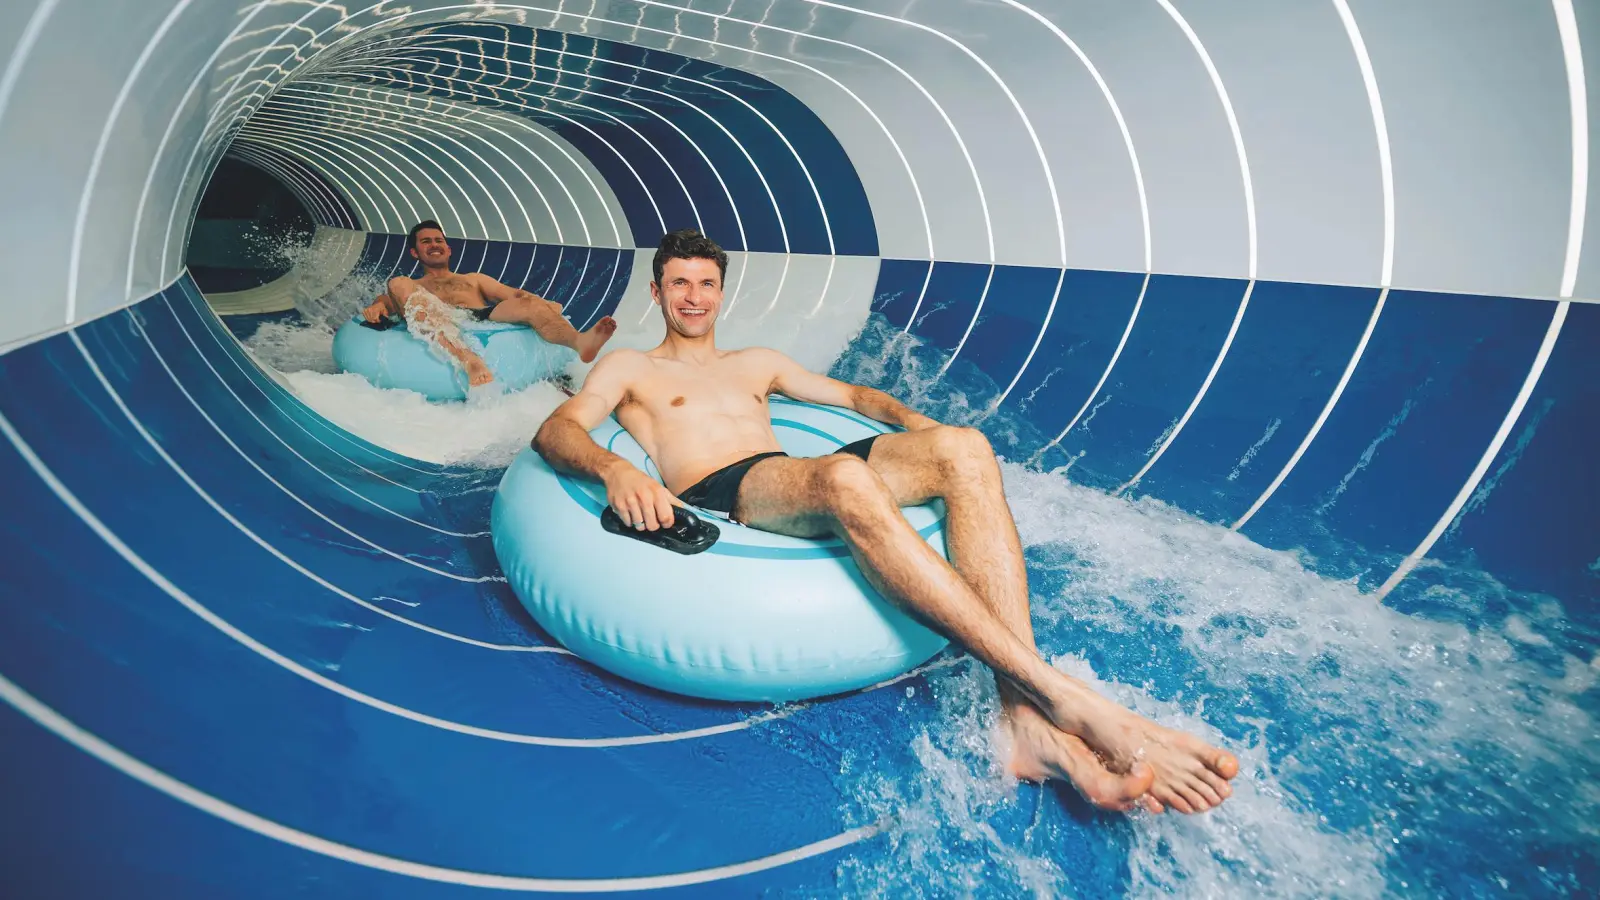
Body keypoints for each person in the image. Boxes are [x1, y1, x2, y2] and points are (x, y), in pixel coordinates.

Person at [532, 229, 1239, 815]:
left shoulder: (758, 362)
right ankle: (1063, 697)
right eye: (679, 284)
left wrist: (916, 423)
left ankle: (1023, 720)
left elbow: (856, 395)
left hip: (787, 466)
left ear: (722, 291)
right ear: (656, 291)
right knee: (844, 476)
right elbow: (558, 432)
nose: (693, 297)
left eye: (705, 284)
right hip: (728, 488)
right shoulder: (630, 368)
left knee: (965, 450)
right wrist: (618, 470)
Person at [363, 220, 618, 386]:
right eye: (426, 242)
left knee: (527, 301)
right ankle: (469, 359)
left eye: (439, 240)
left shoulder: (473, 279)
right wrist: (378, 307)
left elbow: (513, 294)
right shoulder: (414, 286)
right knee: (397, 282)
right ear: (415, 252)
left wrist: (544, 304)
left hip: (479, 317)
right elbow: (389, 300)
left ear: (449, 249)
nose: (434, 245)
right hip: (438, 317)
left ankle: (580, 342)